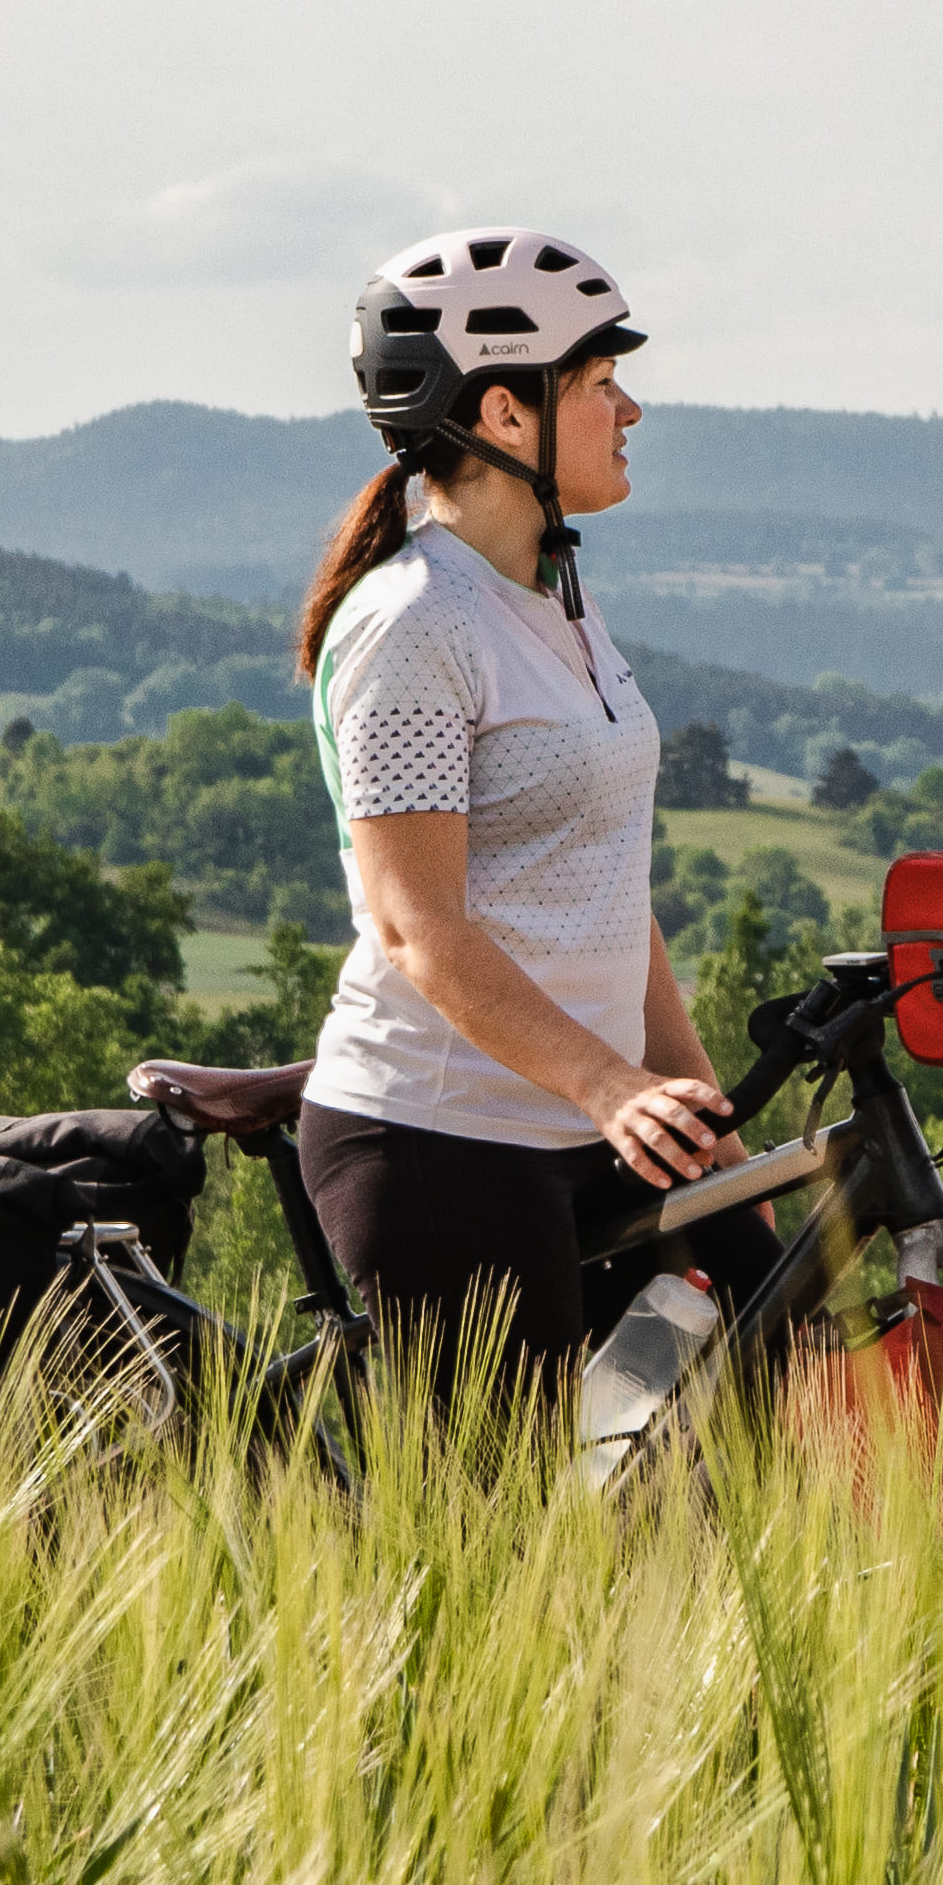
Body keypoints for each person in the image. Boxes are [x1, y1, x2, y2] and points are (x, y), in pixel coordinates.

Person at [288, 226, 776, 1381]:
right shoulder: (416, 625)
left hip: (598, 1121)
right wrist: (612, 1085)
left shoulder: (554, 596)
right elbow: (417, 926)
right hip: (443, 1139)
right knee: (512, 1531)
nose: (632, 410)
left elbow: (611, 893)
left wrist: (699, 1112)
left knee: (771, 1363)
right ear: (505, 416)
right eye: (601, 383)